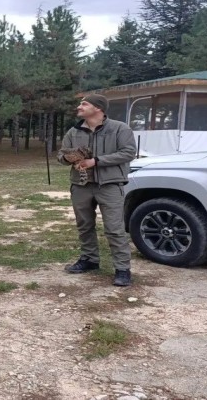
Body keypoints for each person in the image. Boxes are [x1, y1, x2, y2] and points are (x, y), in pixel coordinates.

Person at [58, 94, 137, 286]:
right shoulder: (74, 131)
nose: (79, 107)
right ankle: (89, 260)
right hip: (81, 186)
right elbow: (61, 155)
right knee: (84, 225)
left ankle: (122, 269)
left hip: (110, 185)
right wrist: (69, 158)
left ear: (98, 108)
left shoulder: (119, 128)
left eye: (84, 104)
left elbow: (128, 153)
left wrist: (96, 161)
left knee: (114, 228)